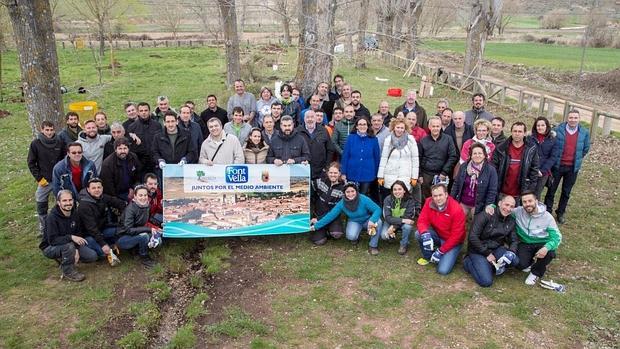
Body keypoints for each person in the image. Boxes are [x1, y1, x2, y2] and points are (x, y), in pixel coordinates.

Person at [39, 190, 97, 282]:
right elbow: (52, 240)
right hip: (50, 247)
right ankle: (68, 271)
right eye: (64, 201)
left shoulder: (75, 213)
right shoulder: (52, 218)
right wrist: (71, 237)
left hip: (70, 244)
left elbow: (78, 233)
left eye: (70, 200)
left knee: (92, 256)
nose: (68, 203)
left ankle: (66, 258)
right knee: (68, 247)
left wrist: (77, 249)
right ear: (58, 202)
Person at [544, 110, 590, 224]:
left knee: (566, 192)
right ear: (567, 118)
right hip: (557, 166)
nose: (573, 120)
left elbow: (585, 148)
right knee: (551, 189)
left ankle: (560, 212)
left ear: (579, 119)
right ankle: (547, 212)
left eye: (575, 118)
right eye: (571, 117)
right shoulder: (558, 130)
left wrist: (577, 159)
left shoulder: (584, 132)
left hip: (572, 168)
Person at [311, 183, 383, 254]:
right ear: (344, 193)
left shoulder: (363, 199)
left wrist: (372, 220)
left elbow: (377, 209)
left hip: (368, 220)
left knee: (378, 222)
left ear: (356, 191)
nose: (350, 194)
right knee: (351, 236)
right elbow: (330, 215)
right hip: (354, 221)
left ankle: (373, 246)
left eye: (352, 191)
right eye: (347, 192)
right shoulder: (342, 203)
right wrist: (316, 226)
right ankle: (356, 237)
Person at [463, 195, 518, 287]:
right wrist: (487, 253)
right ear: (499, 203)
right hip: (478, 250)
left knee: (514, 260)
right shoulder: (486, 215)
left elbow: (514, 240)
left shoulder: (511, 220)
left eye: (511, 206)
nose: (508, 208)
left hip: (496, 248)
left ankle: (488, 265)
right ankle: (468, 261)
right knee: (486, 281)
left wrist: (511, 252)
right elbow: (472, 237)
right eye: (506, 204)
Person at [415, 183, 466, 275]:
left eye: (440, 195)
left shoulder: (456, 209)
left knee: (443, 270)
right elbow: (422, 220)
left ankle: (451, 252)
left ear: (446, 195)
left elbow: (456, 236)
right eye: (435, 196)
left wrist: (441, 251)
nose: (438, 198)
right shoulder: (428, 202)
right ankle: (428, 256)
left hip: (453, 241)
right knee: (418, 234)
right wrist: (425, 234)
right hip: (438, 234)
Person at [512, 191, 562, 285]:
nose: (527, 204)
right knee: (519, 264)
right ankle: (529, 263)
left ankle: (536, 272)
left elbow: (557, 237)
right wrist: (492, 207)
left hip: (542, 243)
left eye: (530, 201)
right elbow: (504, 209)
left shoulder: (547, 217)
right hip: (525, 243)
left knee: (550, 252)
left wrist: (546, 247)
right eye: (524, 202)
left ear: (536, 201)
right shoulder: (518, 212)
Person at [28, 121, 66, 235]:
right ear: (42, 130)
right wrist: (39, 178)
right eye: (47, 130)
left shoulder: (60, 142)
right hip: (45, 180)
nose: (49, 132)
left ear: (54, 130)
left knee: (62, 202)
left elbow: (65, 159)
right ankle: (43, 227)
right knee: (40, 200)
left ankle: (60, 226)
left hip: (58, 179)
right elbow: (31, 162)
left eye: (51, 130)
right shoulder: (35, 143)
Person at [77, 178, 127, 263]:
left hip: (102, 230)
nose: (97, 190)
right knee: (102, 253)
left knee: (121, 230)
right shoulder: (84, 205)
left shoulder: (103, 197)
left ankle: (110, 244)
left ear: (102, 188)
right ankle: (100, 247)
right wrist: (103, 244)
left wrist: (124, 215)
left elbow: (120, 203)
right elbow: (92, 229)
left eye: (99, 187)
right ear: (88, 190)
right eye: (93, 188)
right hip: (88, 235)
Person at [377, 117, 419, 206]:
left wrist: (414, 177)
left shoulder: (411, 140)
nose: (399, 130)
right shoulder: (388, 140)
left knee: (403, 200)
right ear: (393, 127)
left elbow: (415, 159)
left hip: (405, 175)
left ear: (405, 129)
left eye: (402, 128)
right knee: (389, 199)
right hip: (390, 174)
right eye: (397, 127)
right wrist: (380, 176)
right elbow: (384, 158)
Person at [492, 122, 539, 200]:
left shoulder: (531, 149)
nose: (517, 134)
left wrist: (529, 190)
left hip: (521, 193)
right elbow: (494, 168)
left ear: (524, 133)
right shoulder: (501, 148)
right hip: (502, 192)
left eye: (520, 131)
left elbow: (534, 170)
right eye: (515, 131)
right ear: (511, 132)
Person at [116, 185, 160, 268]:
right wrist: (149, 229)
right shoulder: (130, 209)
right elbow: (128, 229)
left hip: (136, 232)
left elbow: (149, 218)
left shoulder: (147, 205)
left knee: (157, 237)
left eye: (145, 195)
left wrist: (160, 224)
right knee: (144, 236)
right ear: (135, 196)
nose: (143, 198)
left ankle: (135, 250)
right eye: (140, 195)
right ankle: (144, 257)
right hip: (123, 237)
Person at [451, 143, 498, 218]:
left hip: (478, 205)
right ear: (471, 155)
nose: (477, 155)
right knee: (458, 223)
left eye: (480, 153)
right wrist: (452, 199)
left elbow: (492, 190)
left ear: (484, 155)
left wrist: (488, 205)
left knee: (476, 227)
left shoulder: (491, 170)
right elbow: (456, 183)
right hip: (463, 202)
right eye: (474, 153)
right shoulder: (464, 167)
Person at [418, 116, 458, 199]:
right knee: (426, 198)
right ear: (429, 127)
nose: (435, 128)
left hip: (442, 175)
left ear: (440, 126)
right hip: (426, 175)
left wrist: (444, 172)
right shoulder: (423, 141)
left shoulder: (448, 139)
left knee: (441, 198)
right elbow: (418, 158)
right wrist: (420, 175)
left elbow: (453, 156)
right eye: (433, 126)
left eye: (437, 126)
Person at [341, 117, 381, 200]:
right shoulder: (351, 138)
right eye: (360, 124)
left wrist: (377, 174)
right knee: (352, 195)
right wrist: (343, 172)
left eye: (364, 124)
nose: (362, 126)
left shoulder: (373, 140)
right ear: (356, 126)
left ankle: (362, 212)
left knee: (363, 196)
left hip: (368, 173)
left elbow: (377, 158)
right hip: (352, 172)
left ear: (368, 126)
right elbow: (345, 156)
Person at [309, 162, 345, 245]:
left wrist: (318, 219)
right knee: (319, 241)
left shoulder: (342, 189)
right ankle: (322, 231)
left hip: (332, 217)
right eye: (331, 173)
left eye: (335, 173)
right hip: (317, 215)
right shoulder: (321, 182)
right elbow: (308, 187)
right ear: (327, 173)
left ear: (339, 173)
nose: (333, 175)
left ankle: (330, 229)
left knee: (337, 234)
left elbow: (335, 212)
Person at [378, 181, 416, 255]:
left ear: (404, 190)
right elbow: (387, 218)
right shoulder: (387, 199)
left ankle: (403, 245)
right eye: (395, 189)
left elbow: (408, 217)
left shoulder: (410, 200)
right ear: (392, 191)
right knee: (383, 236)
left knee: (407, 227)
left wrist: (394, 226)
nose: (397, 192)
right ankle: (392, 237)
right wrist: (401, 221)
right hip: (391, 221)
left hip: (402, 223)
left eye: (399, 189)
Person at [297, 110, 335, 179]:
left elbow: (330, 149)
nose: (310, 119)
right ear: (304, 119)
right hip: (302, 169)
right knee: (301, 189)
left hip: (320, 170)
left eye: (312, 117)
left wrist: (326, 167)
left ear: (315, 119)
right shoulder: (298, 131)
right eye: (308, 117)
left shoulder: (323, 130)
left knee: (319, 189)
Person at [127, 102, 162, 173]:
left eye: (146, 110)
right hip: (140, 163)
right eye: (141, 111)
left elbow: (160, 143)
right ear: (138, 112)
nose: (144, 113)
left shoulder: (157, 125)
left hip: (154, 162)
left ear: (149, 111)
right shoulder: (132, 127)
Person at [527, 117, 556, 199]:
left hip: (543, 172)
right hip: (529, 170)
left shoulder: (552, 139)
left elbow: (553, 157)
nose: (540, 127)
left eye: (542, 125)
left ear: (547, 126)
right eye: (538, 125)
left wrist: (542, 171)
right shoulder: (530, 138)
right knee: (526, 193)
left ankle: (535, 211)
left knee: (536, 194)